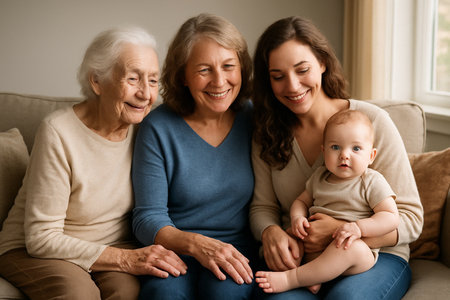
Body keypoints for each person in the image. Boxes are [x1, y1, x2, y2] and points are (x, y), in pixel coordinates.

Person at [0, 27, 187, 300]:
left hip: (113, 244)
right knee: (78, 294)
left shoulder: (149, 129)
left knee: (130, 293)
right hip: (34, 248)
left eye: (152, 81)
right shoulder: (58, 131)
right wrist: (124, 259)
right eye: (133, 79)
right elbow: (41, 237)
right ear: (97, 81)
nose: (145, 94)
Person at [249, 16, 423, 299]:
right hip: (303, 256)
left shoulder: (373, 121)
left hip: (373, 255)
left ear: (322, 63)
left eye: (302, 69)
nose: (292, 86)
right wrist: (271, 233)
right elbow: (262, 208)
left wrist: (344, 232)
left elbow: (411, 219)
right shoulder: (267, 131)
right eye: (278, 76)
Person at [131, 13, 257, 300]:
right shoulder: (158, 126)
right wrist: (196, 244)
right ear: (183, 76)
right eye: (204, 70)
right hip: (175, 251)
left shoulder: (255, 119)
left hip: (236, 252)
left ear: (242, 69)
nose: (219, 81)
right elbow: (146, 217)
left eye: (228, 66)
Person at [255, 109, 399, 294]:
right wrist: (297, 218)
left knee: (348, 248)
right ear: (324, 152)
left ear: (371, 156)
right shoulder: (319, 177)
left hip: (354, 251)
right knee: (290, 236)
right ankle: (313, 277)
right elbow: (301, 202)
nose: (344, 155)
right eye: (335, 147)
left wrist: (359, 228)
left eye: (356, 148)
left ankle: (294, 278)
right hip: (314, 248)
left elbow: (391, 217)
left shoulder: (371, 181)